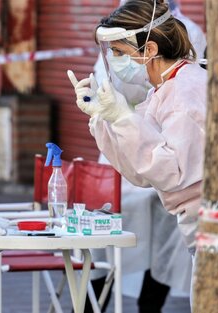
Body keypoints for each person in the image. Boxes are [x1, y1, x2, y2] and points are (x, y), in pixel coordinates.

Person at [67, 0, 206, 310]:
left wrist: (121, 117)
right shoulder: (165, 87)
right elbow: (138, 168)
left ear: (151, 49)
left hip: (216, 229)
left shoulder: (185, 93)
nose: (114, 62)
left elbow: (170, 172)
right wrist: (104, 120)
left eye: (119, 52)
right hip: (199, 227)